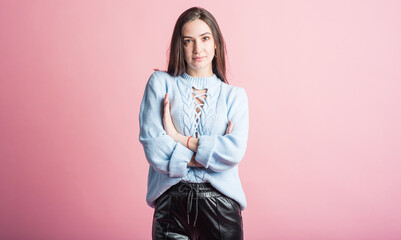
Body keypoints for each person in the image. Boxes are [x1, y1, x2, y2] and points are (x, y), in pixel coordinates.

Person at [139, 6, 249, 239]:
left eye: (205, 38)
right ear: (180, 46)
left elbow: (233, 152)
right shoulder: (160, 84)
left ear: (216, 43)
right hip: (172, 208)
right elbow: (154, 148)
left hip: (221, 208)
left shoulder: (234, 96)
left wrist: (177, 138)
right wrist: (209, 156)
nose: (198, 48)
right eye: (188, 41)